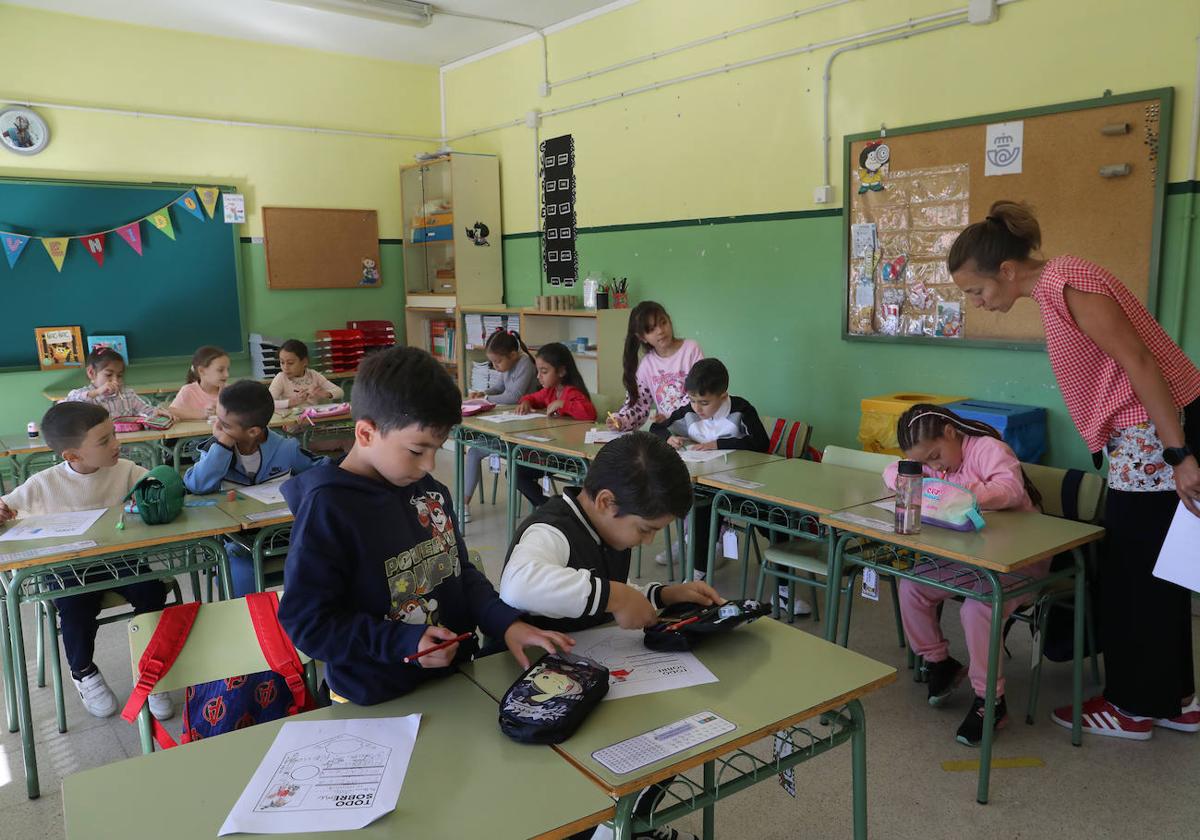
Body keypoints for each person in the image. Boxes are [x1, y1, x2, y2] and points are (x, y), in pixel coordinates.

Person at [948, 200, 1200, 739]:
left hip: (1154, 437)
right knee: (1160, 570)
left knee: (1137, 576)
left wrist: (1179, 454)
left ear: (1008, 271)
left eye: (977, 291)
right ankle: (1174, 699)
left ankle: (1133, 707)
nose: (978, 302)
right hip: (1144, 439)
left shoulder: (1068, 280)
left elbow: (1140, 363)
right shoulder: (1057, 288)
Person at [276, 346, 571, 705]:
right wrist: (403, 641)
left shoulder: (427, 490)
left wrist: (505, 622)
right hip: (377, 699)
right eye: (417, 450)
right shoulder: (329, 508)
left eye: (438, 447)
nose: (430, 464)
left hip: (455, 683)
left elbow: (459, 574)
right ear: (366, 434)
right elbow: (308, 624)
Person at [500, 431, 721, 840]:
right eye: (645, 529)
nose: (649, 540)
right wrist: (616, 595)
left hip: (587, 671)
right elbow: (517, 584)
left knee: (672, 734)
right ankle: (606, 829)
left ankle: (620, 823)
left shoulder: (604, 527)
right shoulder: (551, 529)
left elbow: (599, 586)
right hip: (531, 693)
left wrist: (660, 594)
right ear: (605, 501)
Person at [883, 404, 1043, 746]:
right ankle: (940, 662)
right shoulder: (935, 462)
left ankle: (991, 701)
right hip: (970, 557)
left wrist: (955, 494)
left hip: (1020, 558)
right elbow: (890, 472)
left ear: (952, 433)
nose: (936, 466)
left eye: (937, 455)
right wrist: (915, 477)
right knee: (912, 584)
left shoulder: (987, 449)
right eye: (927, 462)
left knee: (979, 607)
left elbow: (1011, 490)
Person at [0, 403, 172, 720]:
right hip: (66, 567)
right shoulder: (43, 484)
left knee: (151, 590)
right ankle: (84, 671)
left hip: (119, 559)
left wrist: (159, 492)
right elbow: (6, 506)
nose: (116, 444)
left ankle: (151, 669)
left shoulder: (126, 469)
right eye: (104, 441)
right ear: (73, 456)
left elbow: (162, 487)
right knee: (76, 605)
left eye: (113, 434)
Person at [183, 380, 326, 596]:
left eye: (225, 425)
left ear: (253, 431)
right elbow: (197, 485)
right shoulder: (215, 448)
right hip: (234, 543)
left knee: (325, 559)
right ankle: (248, 624)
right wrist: (221, 446)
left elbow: (322, 470)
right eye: (218, 420)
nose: (217, 427)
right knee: (240, 574)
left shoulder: (286, 449)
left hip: (282, 536)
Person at [651, 358, 769, 581]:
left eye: (704, 402)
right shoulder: (689, 412)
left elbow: (761, 444)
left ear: (723, 396)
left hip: (739, 485)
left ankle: (700, 564)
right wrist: (668, 438)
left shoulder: (742, 410)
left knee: (706, 505)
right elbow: (655, 429)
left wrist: (720, 444)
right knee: (701, 503)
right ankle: (698, 570)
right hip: (705, 483)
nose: (697, 408)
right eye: (693, 400)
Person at [462, 329, 537, 523]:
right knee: (473, 451)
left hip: (522, 431)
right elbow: (499, 388)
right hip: (506, 424)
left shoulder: (525, 364)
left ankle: (464, 503)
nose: (496, 367)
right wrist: (482, 393)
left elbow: (513, 396)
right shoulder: (507, 366)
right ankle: (464, 503)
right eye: (492, 363)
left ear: (512, 355)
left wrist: (487, 398)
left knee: (474, 452)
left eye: (498, 362)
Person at [513, 342, 597, 508]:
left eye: (544, 372)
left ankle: (551, 509)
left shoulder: (572, 392)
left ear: (561, 371)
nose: (538, 376)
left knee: (518, 471)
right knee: (515, 471)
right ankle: (548, 506)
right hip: (553, 452)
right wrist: (525, 402)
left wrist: (563, 404)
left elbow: (589, 413)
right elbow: (532, 397)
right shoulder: (550, 391)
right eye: (538, 371)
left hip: (571, 456)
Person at [607, 301, 704, 432]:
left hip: (700, 430)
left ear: (669, 320)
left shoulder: (691, 349)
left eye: (663, 323)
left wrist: (670, 416)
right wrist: (621, 420)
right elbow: (639, 405)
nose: (660, 331)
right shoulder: (647, 365)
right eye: (651, 329)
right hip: (670, 436)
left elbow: (698, 391)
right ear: (642, 337)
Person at [65, 347, 175, 420]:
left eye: (119, 375)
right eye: (108, 375)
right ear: (91, 373)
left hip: (129, 449)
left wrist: (158, 412)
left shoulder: (128, 395)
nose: (115, 381)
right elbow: (67, 404)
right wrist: (97, 392)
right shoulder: (86, 395)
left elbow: (145, 410)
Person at [269, 339, 344, 411]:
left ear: (304, 362)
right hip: (291, 422)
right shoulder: (281, 378)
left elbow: (340, 392)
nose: (285, 367)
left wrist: (327, 394)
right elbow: (267, 402)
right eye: (282, 362)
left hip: (314, 420)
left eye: (290, 363)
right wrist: (291, 402)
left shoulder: (313, 375)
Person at [171, 345, 230, 421]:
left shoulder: (229, 391)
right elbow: (172, 411)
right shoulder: (188, 390)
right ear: (201, 371)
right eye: (220, 370)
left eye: (228, 369)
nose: (227, 374)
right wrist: (200, 414)